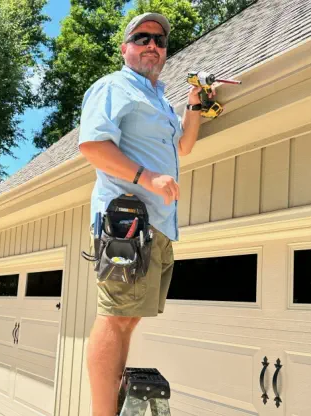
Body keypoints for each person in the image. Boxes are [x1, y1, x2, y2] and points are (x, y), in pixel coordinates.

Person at [78, 12, 212, 416]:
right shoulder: (113, 87)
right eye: (142, 38)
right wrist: (147, 177)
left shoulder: (160, 100)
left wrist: (194, 106)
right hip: (126, 223)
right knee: (116, 317)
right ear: (125, 48)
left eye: (160, 40)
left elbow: (184, 146)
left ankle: (116, 400)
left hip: (158, 226)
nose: (152, 45)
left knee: (130, 318)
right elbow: (92, 146)